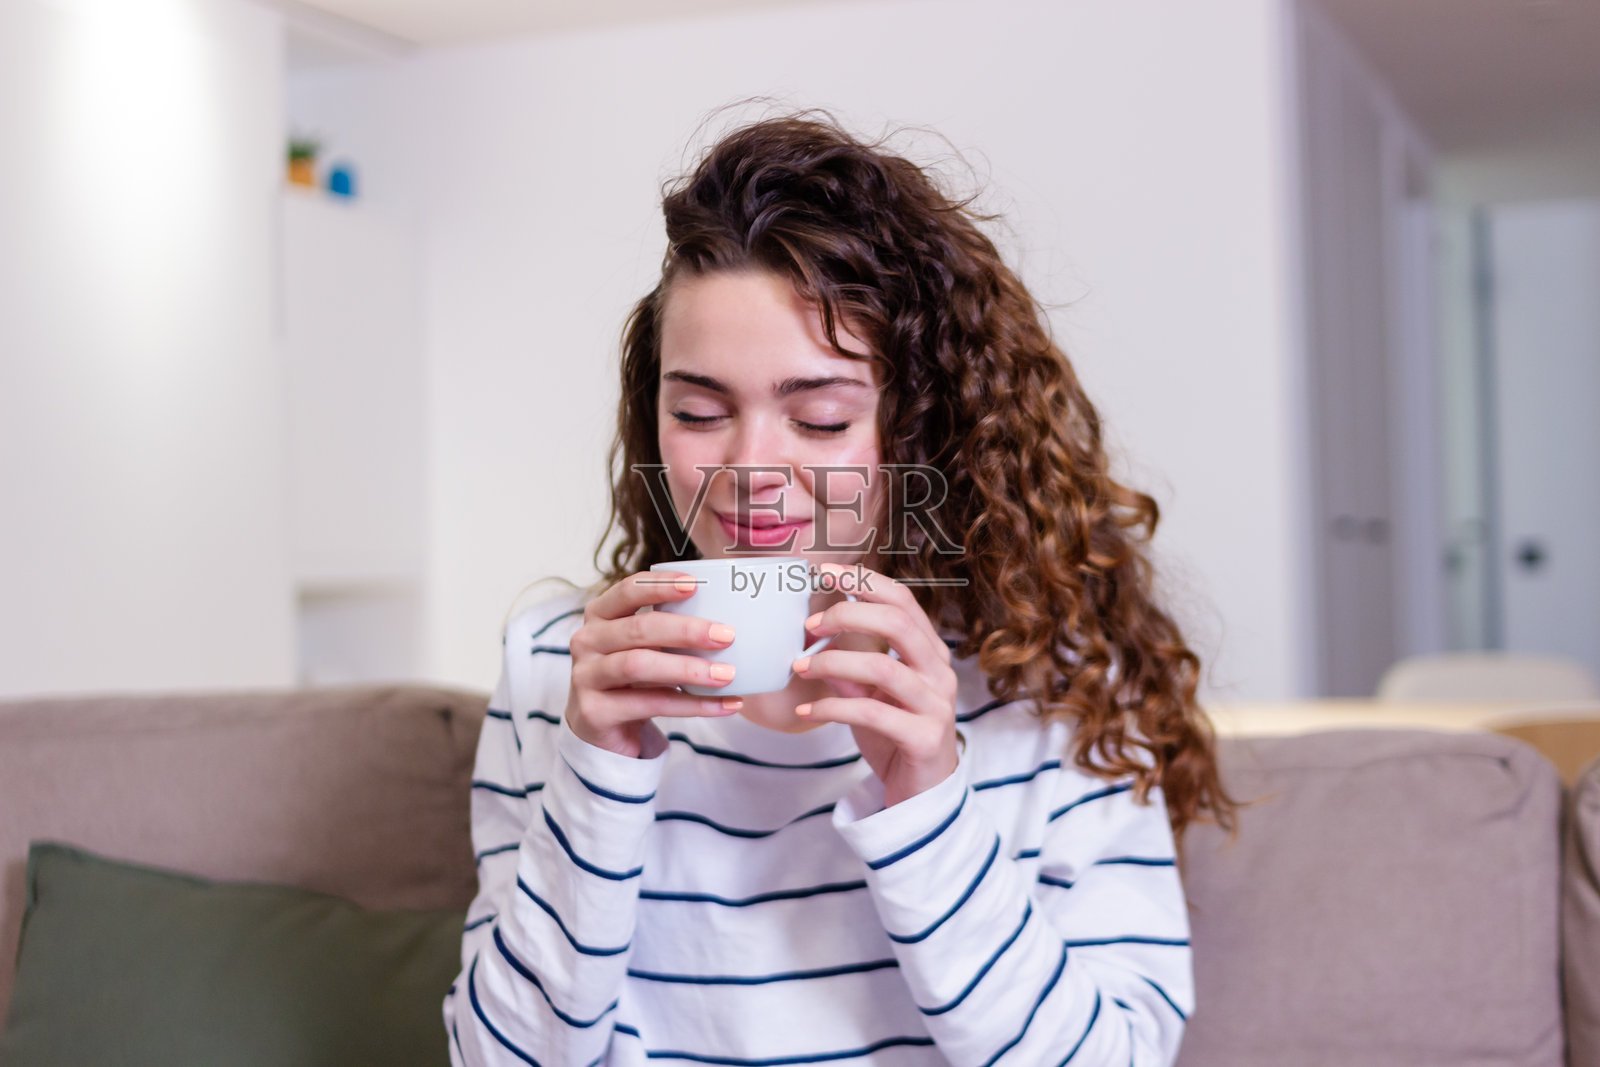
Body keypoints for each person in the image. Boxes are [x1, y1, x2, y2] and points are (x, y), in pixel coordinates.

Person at [442, 109, 1239, 1067]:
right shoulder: (556, 665)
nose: (750, 469)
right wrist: (600, 770)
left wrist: (927, 799)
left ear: (917, 426)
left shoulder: (1058, 680)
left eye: (819, 420)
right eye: (698, 410)